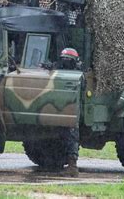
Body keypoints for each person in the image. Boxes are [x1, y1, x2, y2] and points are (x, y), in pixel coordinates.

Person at [57, 48, 81, 177]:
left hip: (74, 111)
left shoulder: (77, 74)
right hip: (66, 109)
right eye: (63, 59)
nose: (65, 62)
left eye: (68, 60)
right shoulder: (64, 71)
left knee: (72, 135)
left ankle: (72, 166)